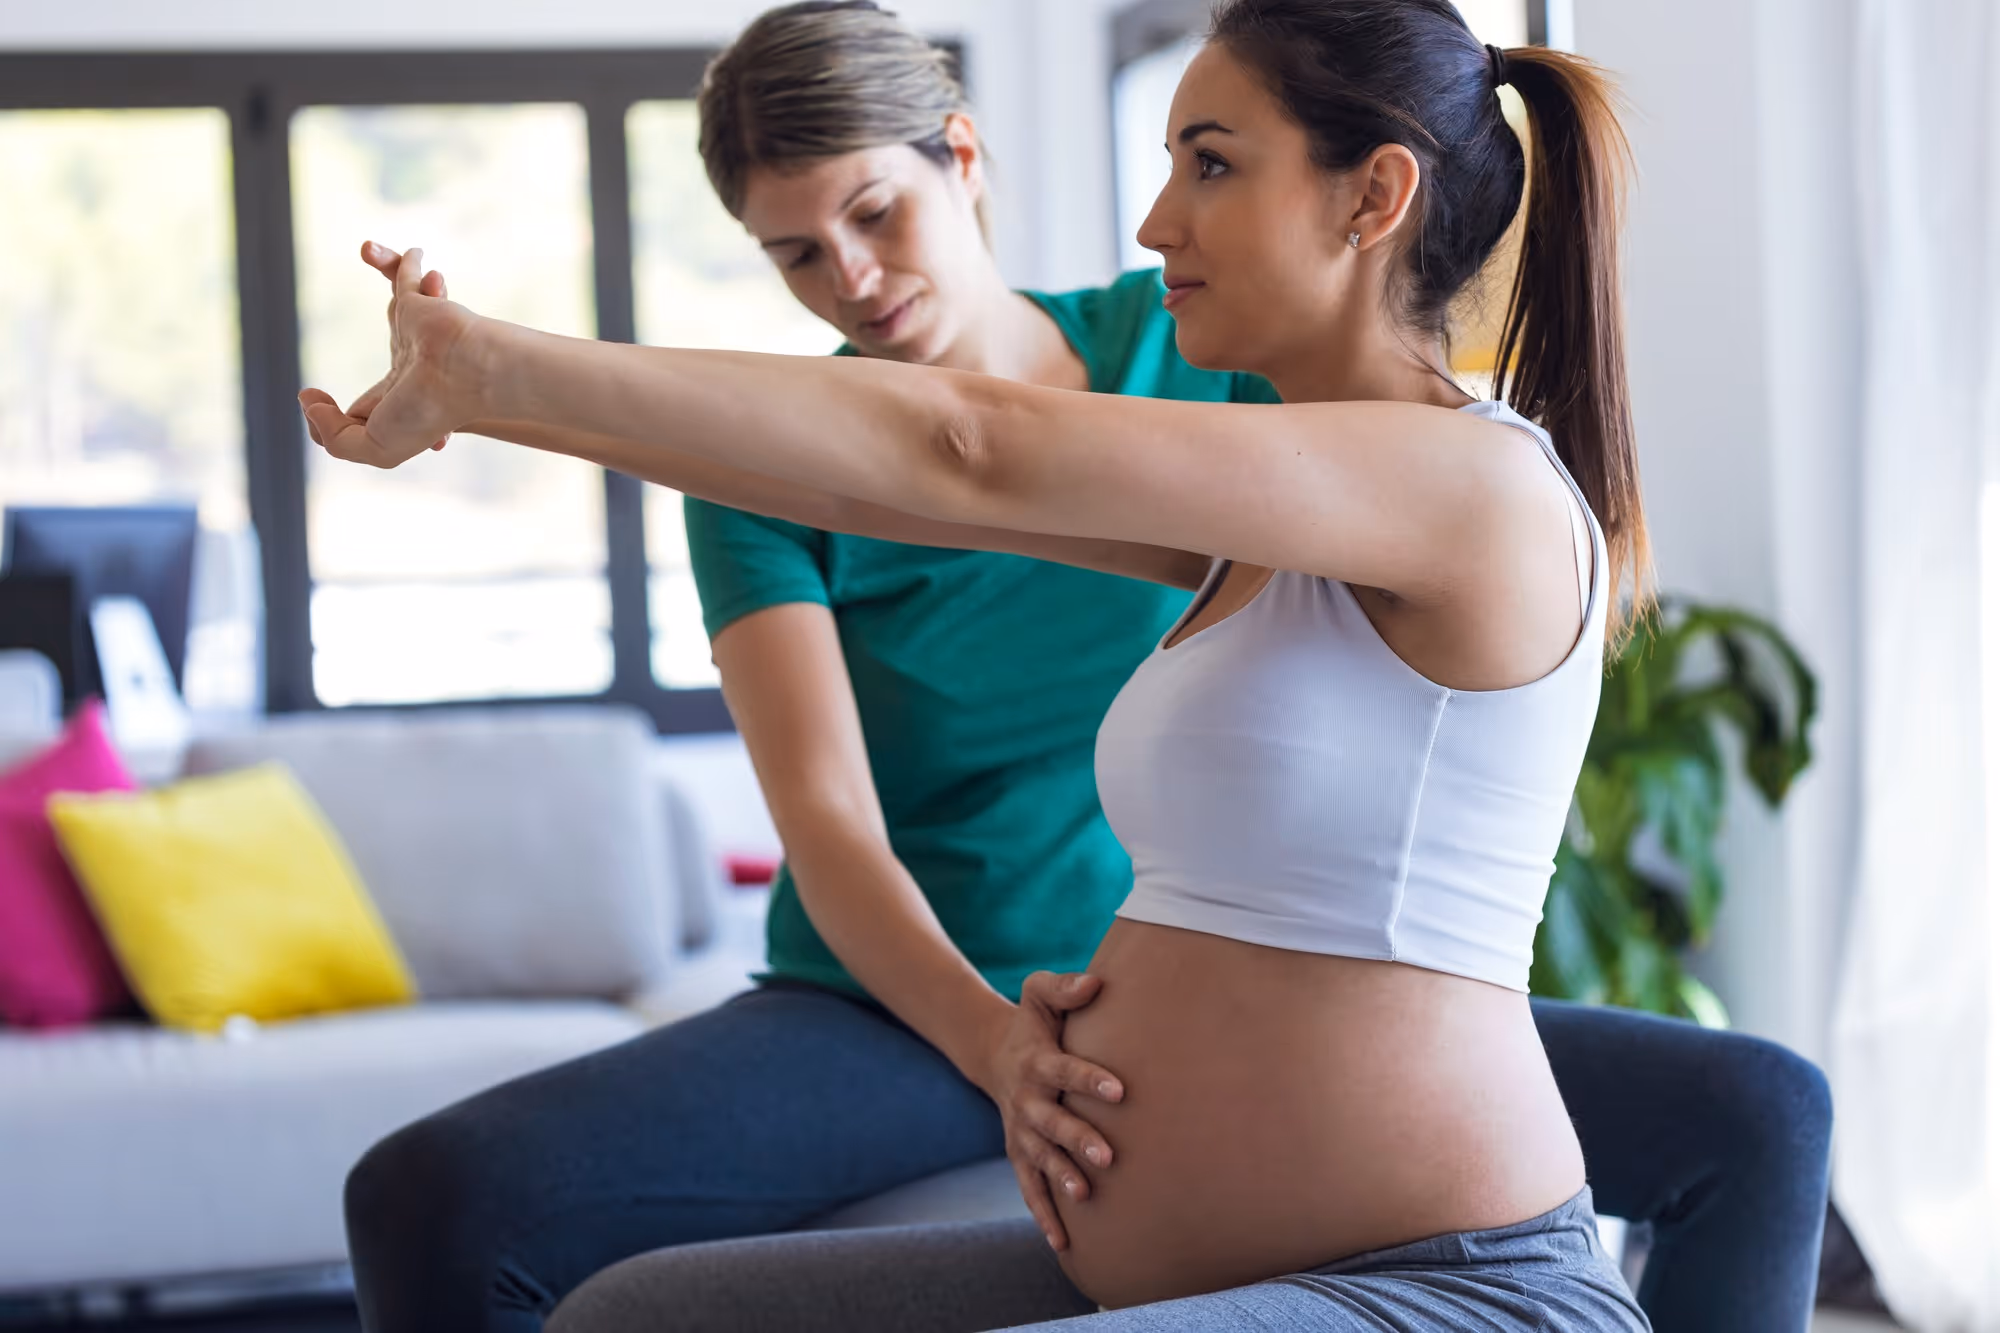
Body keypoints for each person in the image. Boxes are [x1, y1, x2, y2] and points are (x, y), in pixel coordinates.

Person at [331, 3, 1831, 1330]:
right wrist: (483, 410)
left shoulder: (1469, 489)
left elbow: (971, 449)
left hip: (1431, 1282)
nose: (1155, 222)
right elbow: (880, 488)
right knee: (639, 1320)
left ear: (1374, 195)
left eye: (1212, 163)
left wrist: (496, 363)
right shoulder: (1274, 518)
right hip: (1181, 1257)